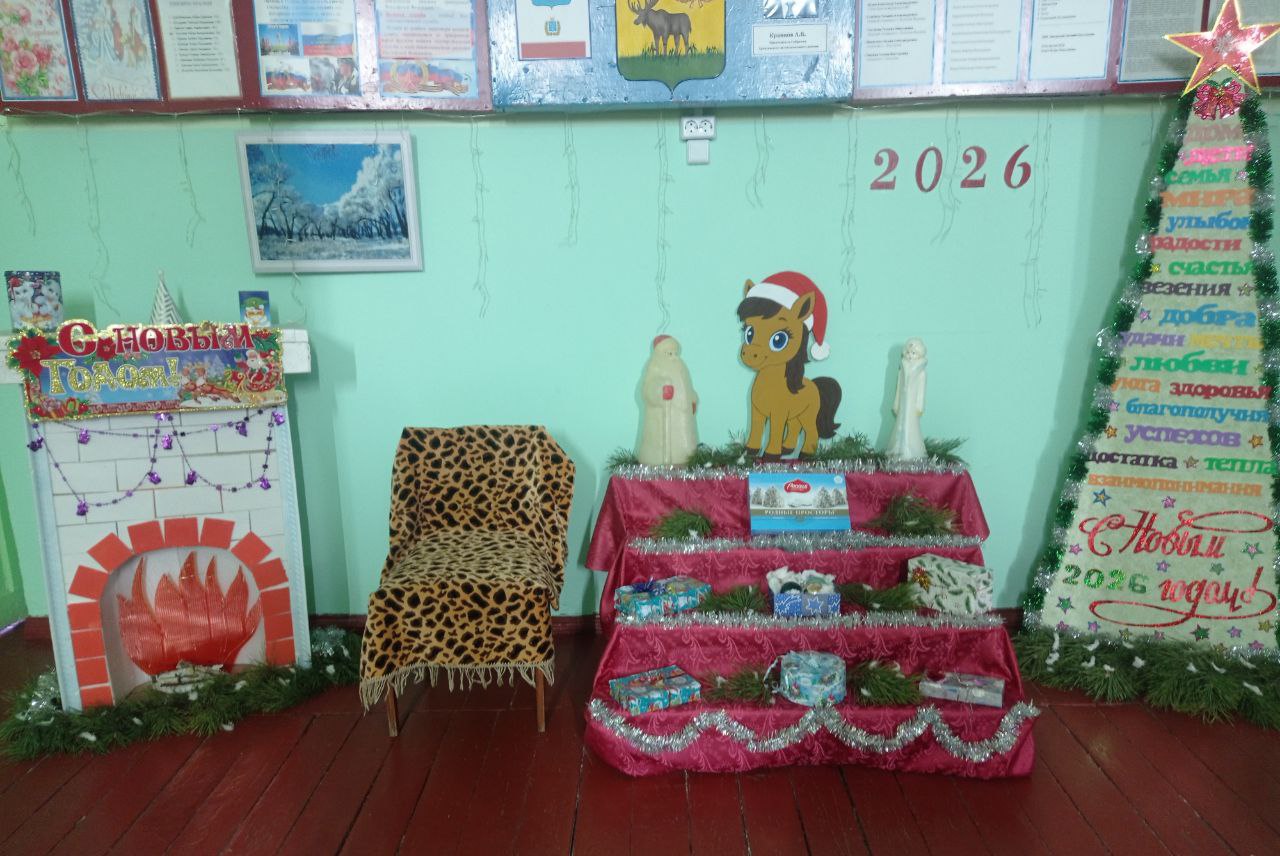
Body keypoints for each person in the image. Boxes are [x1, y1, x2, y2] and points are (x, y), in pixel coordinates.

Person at [636, 335, 699, 466]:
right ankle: (660, 460)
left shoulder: (681, 365)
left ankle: (687, 456)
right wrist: (660, 390)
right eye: (670, 353)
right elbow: (647, 389)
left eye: (675, 353)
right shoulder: (655, 365)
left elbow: (687, 386)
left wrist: (693, 399)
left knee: (685, 439)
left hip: (683, 416)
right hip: (664, 417)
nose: (674, 356)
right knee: (662, 440)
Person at [886, 337, 927, 459]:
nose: (910, 356)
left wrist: (920, 406)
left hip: (912, 405)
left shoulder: (921, 373)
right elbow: (898, 389)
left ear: (919, 355)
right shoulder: (902, 370)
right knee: (900, 424)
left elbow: (921, 391)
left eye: (913, 353)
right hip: (903, 403)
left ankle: (912, 451)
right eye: (908, 352)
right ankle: (898, 450)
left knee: (912, 426)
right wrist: (896, 404)